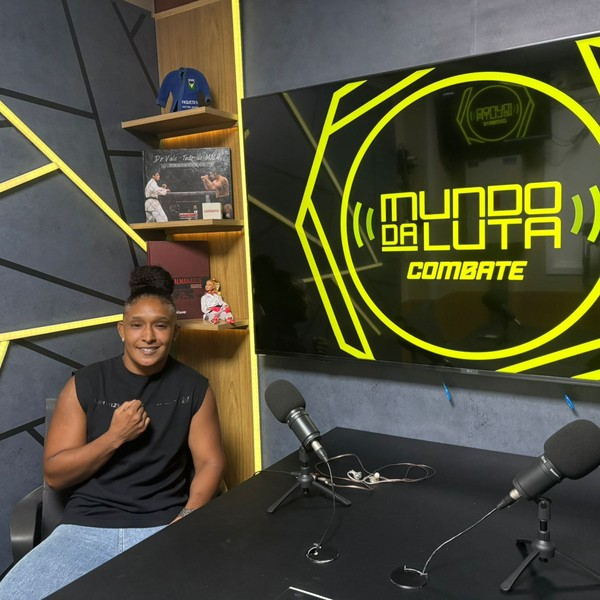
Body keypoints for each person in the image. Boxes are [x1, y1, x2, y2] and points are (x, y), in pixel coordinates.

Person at [0, 266, 225, 599]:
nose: (148, 337)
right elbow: (56, 476)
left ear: (174, 332)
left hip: (163, 525)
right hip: (85, 529)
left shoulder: (194, 387)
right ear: (122, 330)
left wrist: (185, 520)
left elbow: (210, 463)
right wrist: (114, 436)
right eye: (136, 325)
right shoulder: (86, 383)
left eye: (160, 325)